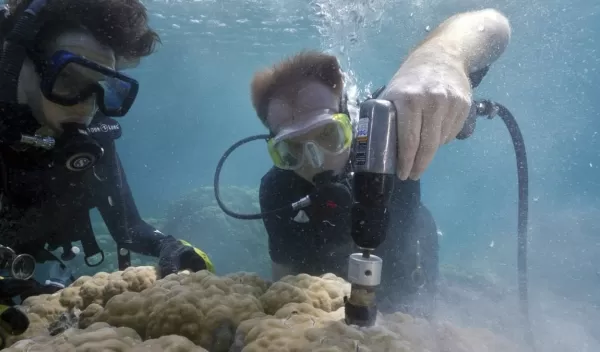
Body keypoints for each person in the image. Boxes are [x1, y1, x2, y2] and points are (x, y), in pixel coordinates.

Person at [251, 8, 511, 316]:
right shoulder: (277, 189)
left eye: (329, 135)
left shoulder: (384, 133)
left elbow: (496, 26)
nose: (315, 161)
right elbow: (285, 284)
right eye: (291, 150)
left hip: (410, 272)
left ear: (351, 119)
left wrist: (439, 59)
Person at [0, 0, 213, 314]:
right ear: (19, 63)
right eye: (68, 80)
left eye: (99, 87)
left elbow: (129, 228)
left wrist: (171, 246)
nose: (85, 107)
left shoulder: (93, 136)